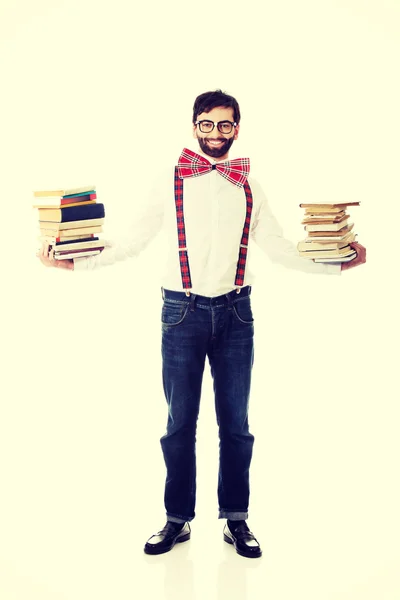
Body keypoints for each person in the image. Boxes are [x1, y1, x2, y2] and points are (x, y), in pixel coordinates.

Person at [38, 89, 366, 559]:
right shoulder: (168, 180)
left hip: (237, 313)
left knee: (236, 425)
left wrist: (336, 263)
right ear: (194, 126)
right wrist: (74, 264)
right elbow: (132, 240)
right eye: (207, 124)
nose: (216, 133)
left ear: (237, 128)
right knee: (178, 424)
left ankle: (236, 520)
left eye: (225, 125)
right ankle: (177, 520)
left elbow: (278, 248)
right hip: (182, 312)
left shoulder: (250, 186)